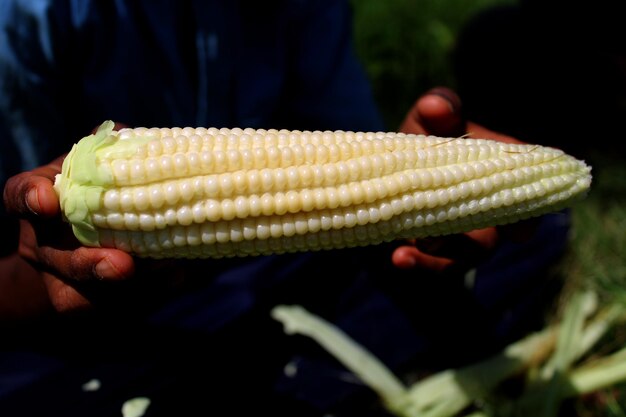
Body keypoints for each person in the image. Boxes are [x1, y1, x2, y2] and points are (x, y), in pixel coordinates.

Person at [0, 1, 571, 416]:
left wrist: (405, 197)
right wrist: (41, 265)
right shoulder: (32, 19)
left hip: (264, 271)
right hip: (90, 325)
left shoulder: (305, 9)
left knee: (534, 237)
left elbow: (344, 156)